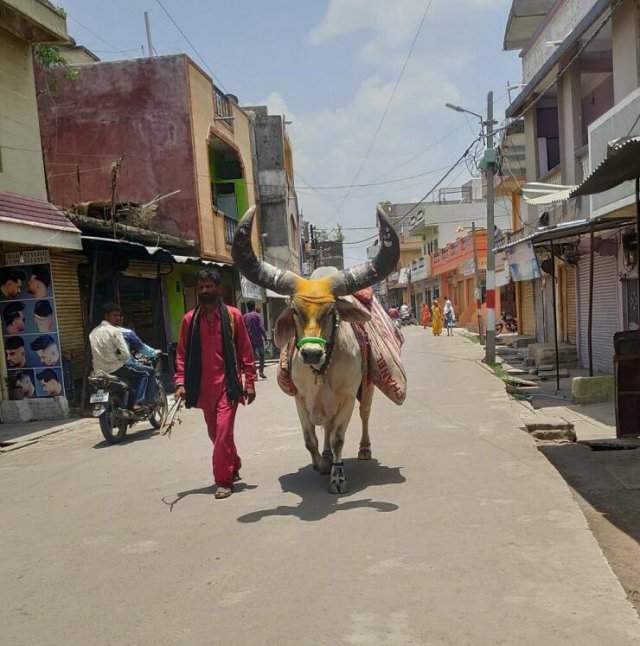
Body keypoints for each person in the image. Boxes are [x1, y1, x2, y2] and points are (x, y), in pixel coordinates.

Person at [174, 268, 256, 500]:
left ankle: (223, 481)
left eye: (209, 287)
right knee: (217, 435)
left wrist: (249, 381)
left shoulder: (233, 317)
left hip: (227, 387)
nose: (205, 291)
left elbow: (245, 351)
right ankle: (234, 462)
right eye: (201, 288)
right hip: (202, 389)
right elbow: (181, 354)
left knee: (221, 433)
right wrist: (180, 382)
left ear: (218, 289)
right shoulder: (189, 320)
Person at [89, 303, 155, 408]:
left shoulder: (93, 333)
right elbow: (125, 355)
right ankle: (139, 403)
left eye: (119, 316)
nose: (118, 318)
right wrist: (119, 357)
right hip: (116, 368)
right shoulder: (114, 331)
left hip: (99, 371)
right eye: (114, 315)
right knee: (146, 373)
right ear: (106, 316)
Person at [243, 301, 267, 379]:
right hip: (258, 340)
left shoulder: (244, 317)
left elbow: (242, 329)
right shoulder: (258, 316)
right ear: (254, 306)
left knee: (252, 358)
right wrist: (265, 337)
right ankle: (261, 371)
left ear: (247, 307)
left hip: (249, 340)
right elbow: (261, 327)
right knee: (262, 356)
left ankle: (254, 375)